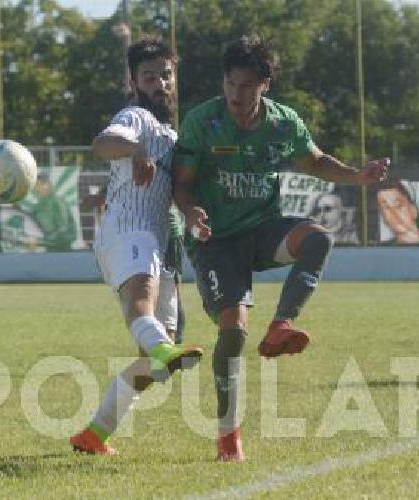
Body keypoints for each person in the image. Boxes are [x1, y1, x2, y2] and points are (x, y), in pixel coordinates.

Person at [172, 35, 389, 461]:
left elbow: (315, 162)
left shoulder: (283, 122)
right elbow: (181, 183)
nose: (236, 94)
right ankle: (228, 437)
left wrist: (357, 177)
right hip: (213, 238)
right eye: (231, 84)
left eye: (246, 86)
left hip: (262, 229)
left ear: (264, 85)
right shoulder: (203, 121)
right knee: (232, 333)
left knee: (319, 238)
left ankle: (281, 325)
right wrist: (191, 212)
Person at [70, 36, 203, 456]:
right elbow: (103, 143)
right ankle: (164, 348)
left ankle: (94, 434)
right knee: (141, 308)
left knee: (154, 369)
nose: (160, 83)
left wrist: (193, 211)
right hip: (127, 229)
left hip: (159, 240)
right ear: (134, 81)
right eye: (150, 76)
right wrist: (137, 148)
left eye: (166, 74)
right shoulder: (136, 119)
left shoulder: (172, 133)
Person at [29, 173, 78, 252]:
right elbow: (31, 227)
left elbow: (63, 229)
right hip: (48, 249)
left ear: (49, 185)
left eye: (42, 184)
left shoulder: (58, 203)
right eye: (36, 186)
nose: (39, 188)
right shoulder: (36, 208)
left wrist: (41, 241)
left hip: (63, 249)